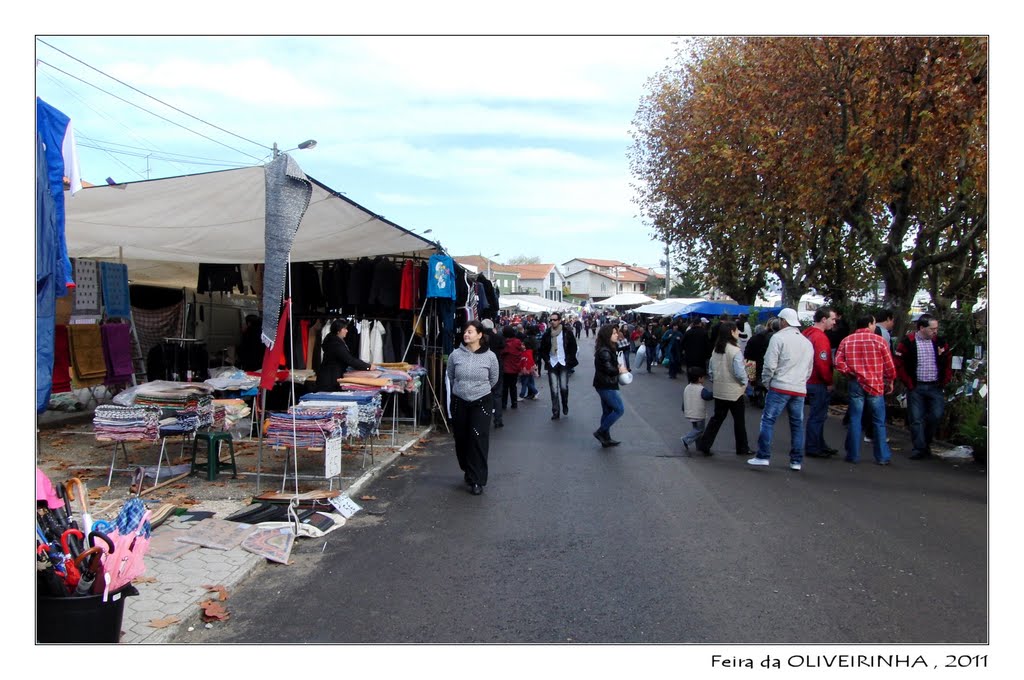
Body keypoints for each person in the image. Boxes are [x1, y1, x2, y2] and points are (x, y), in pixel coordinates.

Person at [748, 308, 813, 471]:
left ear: (783, 321)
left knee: (768, 420)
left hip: (780, 385)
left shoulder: (778, 338)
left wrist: (767, 382)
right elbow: (809, 368)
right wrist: (801, 381)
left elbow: (769, 364)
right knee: (797, 424)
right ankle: (796, 460)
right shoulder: (806, 342)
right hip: (799, 388)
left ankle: (763, 455)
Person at [446, 320, 500, 495]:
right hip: (460, 400)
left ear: (479, 335)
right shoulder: (455, 355)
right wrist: (461, 389)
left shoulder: (490, 356)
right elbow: (451, 375)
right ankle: (468, 470)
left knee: (477, 438)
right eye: (465, 331)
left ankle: (478, 479)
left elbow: (493, 379)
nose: (466, 334)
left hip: (481, 401)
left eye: (470, 331)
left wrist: (479, 390)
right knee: (461, 439)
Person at [835, 314, 897, 465]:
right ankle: (882, 456)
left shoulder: (847, 340)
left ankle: (853, 454)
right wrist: (890, 379)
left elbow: (838, 362)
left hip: (856, 382)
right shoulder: (879, 341)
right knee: (878, 421)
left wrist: (849, 372)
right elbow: (889, 364)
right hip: (875, 383)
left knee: (855, 419)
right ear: (870, 324)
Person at [895, 314, 953, 460]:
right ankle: (919, 448)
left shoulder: (940, 342)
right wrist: (908, 382)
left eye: (936, 328)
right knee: (916, 418)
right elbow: (899, 363)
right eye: (932, 328)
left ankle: (926, 442)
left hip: (935, 385)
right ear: (921, 328)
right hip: (916, 386)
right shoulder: (908, 342)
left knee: (936, 415)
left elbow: (947, 360)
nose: (935, 331)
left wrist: (945, 379)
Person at [696, 321, 753, 456]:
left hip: (720, 389)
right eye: (736, 330)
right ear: (732, 332)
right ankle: (742, 447)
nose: (738, 333)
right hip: (734, 391)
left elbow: (711, 370)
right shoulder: (735, 351)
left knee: (717, 418)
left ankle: (705, 444)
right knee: (739, 420)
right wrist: (745, 382)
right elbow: (739, 372)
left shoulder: (716, 349)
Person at [803, 307, 839, 458]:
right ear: (824, 319)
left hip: (806, 378)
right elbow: (822, 362)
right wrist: (829, 381)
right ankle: (813, 446)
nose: (834, 322)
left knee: (817, 416)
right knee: (817, 416)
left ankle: (819, 443)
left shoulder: (807, 333)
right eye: (832, 319)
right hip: (817, 381)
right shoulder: (820, 337)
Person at [592, 323, 629, 447]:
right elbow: (609, 370)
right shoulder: (604, 351)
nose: (616, 335)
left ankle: (606, 438)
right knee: (619, 410)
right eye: (614, 333)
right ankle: (601, 432)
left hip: (605, 384)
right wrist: (620, 370)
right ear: (607, 335)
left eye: (616, 332)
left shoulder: (608, 348)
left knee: (607, 412)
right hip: (606, 385)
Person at [539, 312, 579, 420]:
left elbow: (573, 347)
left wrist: (569, 360)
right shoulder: (547, 333)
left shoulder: (567, 333)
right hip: (552, 363)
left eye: (555, 320)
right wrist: (547, 359)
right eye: (551, 320)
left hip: (563, 363)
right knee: (554, 389)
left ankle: (565, 403)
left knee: (563, 387)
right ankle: (556, 411)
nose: (552, 322)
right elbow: (542, 349)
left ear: (560, 320)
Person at [315, 319, 373, 391]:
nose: (347, 331)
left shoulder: (335, 340)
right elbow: (349, 360)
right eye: (344, 329)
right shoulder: (335, 344)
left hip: (329, 377)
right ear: (338, 331)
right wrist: (368, 367)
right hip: (329, 380)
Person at [481, 318, 505, 428]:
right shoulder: (498, 337)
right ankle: (498, 419)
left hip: (483, 367)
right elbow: (503, 346)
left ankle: (483, 419)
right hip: (497, 366)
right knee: (497, 394)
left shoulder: (480, 337)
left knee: (482, 394)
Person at [680, 366, 708, 451]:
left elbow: (685, 400)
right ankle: (686, 439)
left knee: (696, 429)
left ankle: (699, 446)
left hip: (691, 413)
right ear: (699, 378)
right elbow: (707, 396)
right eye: (703, 377)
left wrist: (684, 409)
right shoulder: (701, 389)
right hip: (699, 414)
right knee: (700, 430)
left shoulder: (687, 387)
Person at [499, 325, 526, 412]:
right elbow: (521, 349)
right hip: (515, 367)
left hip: (506, 368)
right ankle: (514, 403)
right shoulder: (517, 341)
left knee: (505, 387)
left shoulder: (504, 343)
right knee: (513, 386)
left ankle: (504, 404)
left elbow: (502, 352)